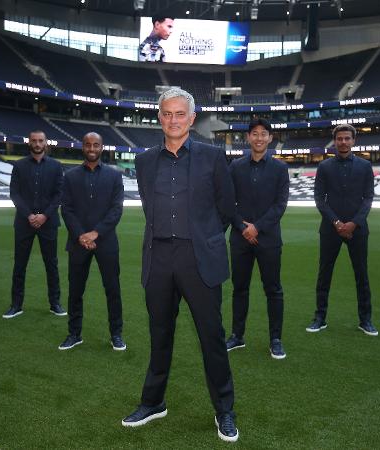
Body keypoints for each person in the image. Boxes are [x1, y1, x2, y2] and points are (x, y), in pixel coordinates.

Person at [122, 88, 239, 442]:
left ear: (191, 118)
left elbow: (226, 207)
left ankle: (225, 410)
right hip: (158, 258)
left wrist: (203, 238)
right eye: (166, 113)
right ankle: (153, 402)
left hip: (198, 257)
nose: (173, 120)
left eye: (179, 114)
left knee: (212, 338)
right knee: (160, 336)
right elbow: (149, 207)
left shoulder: (213, 157)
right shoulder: (144, 161)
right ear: (160, 118)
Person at [226, 118, 289, 359]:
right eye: (255, 133)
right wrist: (243, 227)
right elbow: (228, 203)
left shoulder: (280, 169)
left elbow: (279, 205)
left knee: (273, 290)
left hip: (269, 239)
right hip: (240, 239)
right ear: (248, 138)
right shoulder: (235, 167)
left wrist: (257, 228)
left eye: (264, 133)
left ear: (270, 138)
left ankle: (275, 339)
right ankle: (237, 336)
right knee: (239, 289)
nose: (259, 137)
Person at [306, 124, 378, 336]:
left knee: (361, 275)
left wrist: (354, 223)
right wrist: (337, 223)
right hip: (330, 229)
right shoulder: (324, 167)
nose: (344, 142)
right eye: (340, 139)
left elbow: (368, 198)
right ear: (334, 141)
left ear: (354, 141)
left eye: (347, 138)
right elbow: (319, 198)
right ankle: (320, 317)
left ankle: (365, 320)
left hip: (358, 229)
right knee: (324, 274)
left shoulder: (365, 166)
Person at [58, 132, 126, 351]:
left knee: (112, 290)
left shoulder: (114, 176)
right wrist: (81, 235)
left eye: (96, 144)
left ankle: (116, 334)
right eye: (87, 144)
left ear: (101, 147)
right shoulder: (70, 176)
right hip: (78, 243)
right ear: (82, 147)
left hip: (105, 243)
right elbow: (66, 209)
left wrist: (95, 233)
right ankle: (74, 333)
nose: (91, 148)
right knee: (75, 291)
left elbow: (116, 210)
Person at [3, 130, 66, 319]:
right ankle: (16, 305)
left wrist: (44, 216)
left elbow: (59, 194)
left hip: (48, 223)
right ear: (29, 143)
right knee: (20, 265)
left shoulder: (56, 166)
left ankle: (55, 303)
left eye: (40, 141)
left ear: (46, 143)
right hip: (24, 222)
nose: (37, 144)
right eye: (34, 141)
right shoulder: (19, 166)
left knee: (51, 264)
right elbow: (15, 193)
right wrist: (29, 215)